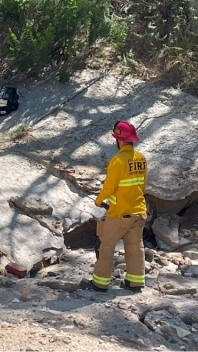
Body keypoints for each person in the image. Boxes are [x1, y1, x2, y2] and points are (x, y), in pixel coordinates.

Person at [80, 121, 148, 293]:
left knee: (106, 245)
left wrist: (98, 200)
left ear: (118, 140)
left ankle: (100, 283)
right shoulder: (140, 158)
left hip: (119, 214)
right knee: (135, 247)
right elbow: (142, 185)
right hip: (138, 211)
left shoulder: (117, 160)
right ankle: (135, 282)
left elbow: (109, 188)